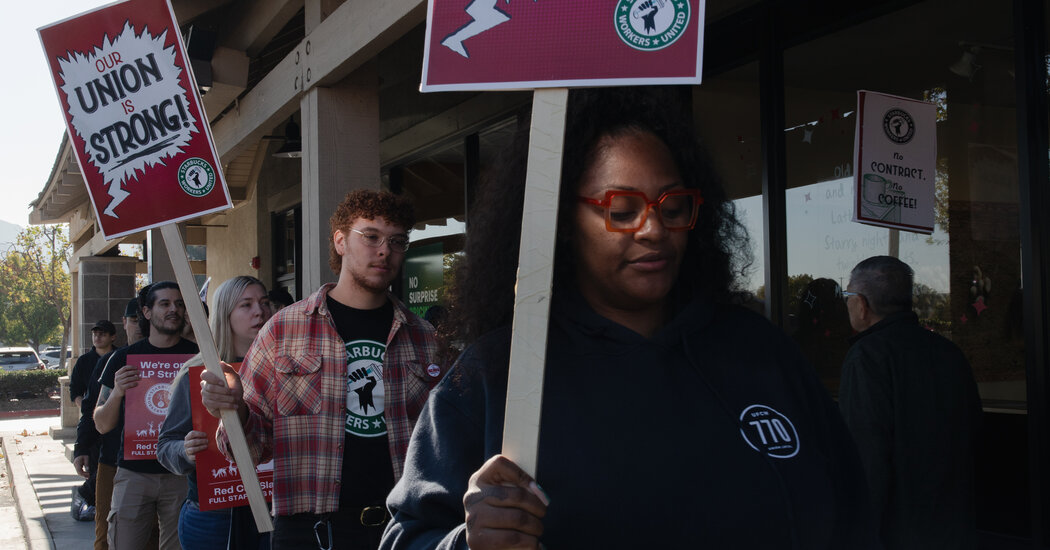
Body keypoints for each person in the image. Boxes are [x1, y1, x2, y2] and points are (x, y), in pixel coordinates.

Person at [380, 87, 877, 549]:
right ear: (562, 224)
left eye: (673, 205)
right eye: (622, 209)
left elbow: (854, 514)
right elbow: (407, 536)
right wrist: (466, 541)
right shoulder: (498, 376)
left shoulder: (761, 354)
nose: (654, 229)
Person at [201, 189, 447, 549]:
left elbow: (443, 443)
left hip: (405, 528)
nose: (384, 250)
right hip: (311, 531)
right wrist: (236, 408)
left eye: (397, 241)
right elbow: (250, 450)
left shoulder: (425, 339)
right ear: (340, 241)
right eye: (371, 237)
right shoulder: (284, 330)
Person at [839, 255, 982, 549]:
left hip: (899, 528)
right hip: (955, 521)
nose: (847, 304)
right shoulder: (947, 351)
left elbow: (867, 453)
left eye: (848, 296)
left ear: (862, 304)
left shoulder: (867, 356)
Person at [157, 276, 273, 550]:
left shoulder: (284, 369)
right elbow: (165, 447)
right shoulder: (196, 374)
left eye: (264, 302)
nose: (260, 311)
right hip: (213, 517)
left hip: (277, 510)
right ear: (225, 314)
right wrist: (185, 451)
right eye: (246, 305)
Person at [95, 282, 198, 549]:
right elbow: (101, 424)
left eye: (178, 304)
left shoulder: (199, 358)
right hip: (134, 473)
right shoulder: (122, 358)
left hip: (182, 473)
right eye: (164, 304)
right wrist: (117, 392)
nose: (173, 309)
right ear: (147, 312)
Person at [74, 299, 147, 549]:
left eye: (143, 317)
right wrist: (81, 448)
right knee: (106, 536)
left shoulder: (180, 356)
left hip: (162, 467)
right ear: (124, 323)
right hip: (112, 460)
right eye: (134, 319)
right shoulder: (113, 360)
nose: (140, 325)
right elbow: (90, 408)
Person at [69, 319, 117, 521]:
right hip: (93, 422)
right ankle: (89, 497)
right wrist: (89, 410)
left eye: (103, 334)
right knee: (97, 468)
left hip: (114, 425)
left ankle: (92, 497)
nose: (98, 337)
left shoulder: (119, 357)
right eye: (95, 333)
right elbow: (76, 392)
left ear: (112, 336)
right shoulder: (85, 362)